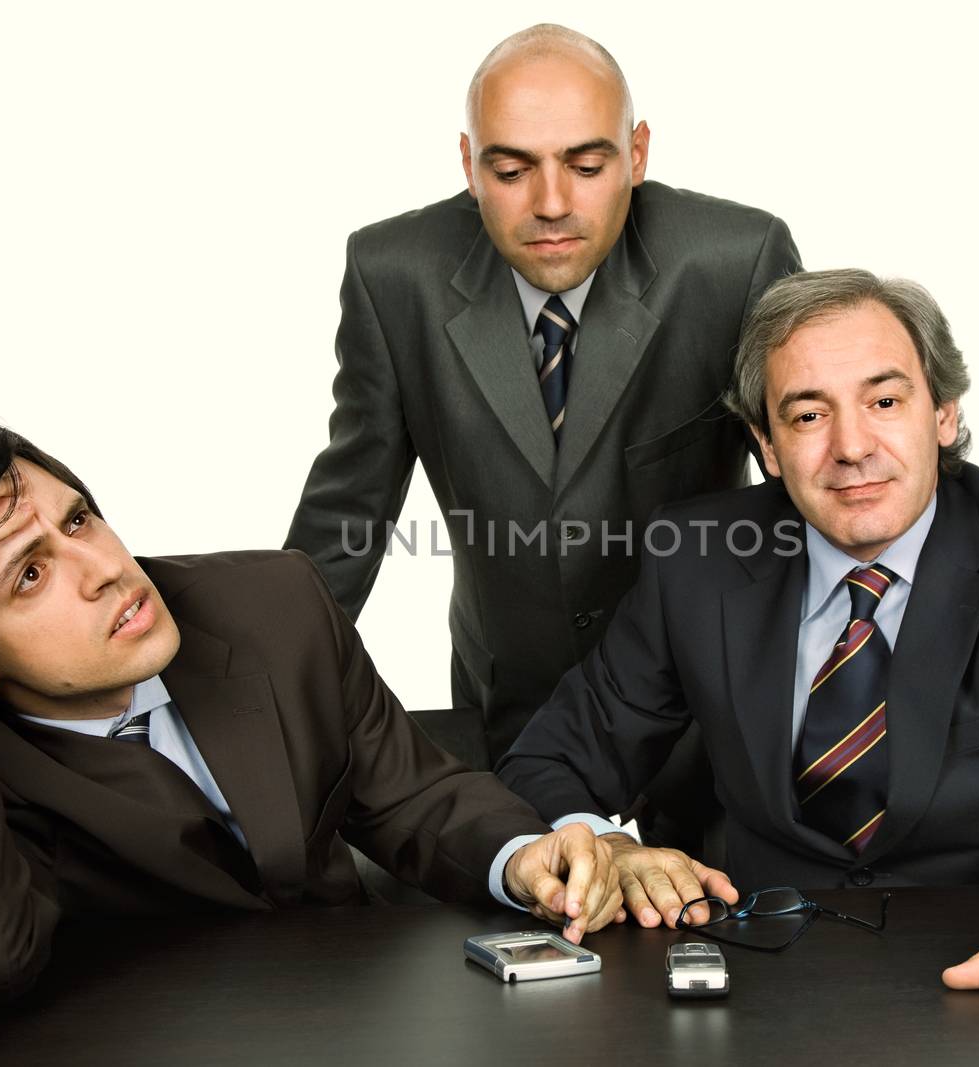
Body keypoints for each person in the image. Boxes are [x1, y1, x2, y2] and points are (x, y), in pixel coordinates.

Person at [496, 269, 979, 1034]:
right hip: (749, 1004)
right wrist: (597, 843)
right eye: (807, 415)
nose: (851, 446)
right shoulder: (697, 557)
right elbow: (547, 761)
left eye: (885, 400)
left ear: (943, 412)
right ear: (766, 444)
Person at [0, 414, 622, 1017]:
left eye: (79, 518)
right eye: (30, 574)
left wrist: (522, 858)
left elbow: (411, 795)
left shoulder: (271, 601)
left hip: (361, 1025)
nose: (103, 570)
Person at [284, 23, 801, 763]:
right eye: (511, 169)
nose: (551, 203)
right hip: (508, 695)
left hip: (707, 691)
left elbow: (809, 485)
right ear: (468, 163)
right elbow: (348, 513)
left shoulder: (737, 260)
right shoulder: (391, 274)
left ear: (639, 153)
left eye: (588, 165)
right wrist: (262, 692)